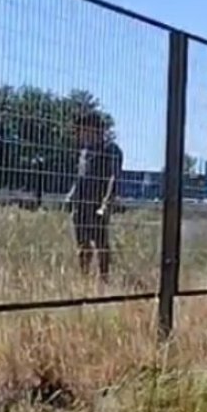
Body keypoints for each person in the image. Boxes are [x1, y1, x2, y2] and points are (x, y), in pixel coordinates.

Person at [66, 108, 123, 282]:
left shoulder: (111, 150)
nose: (80, 134)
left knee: (100, 243)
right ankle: (84, 279)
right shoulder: (84, 152)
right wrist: (71, 195)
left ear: (95, 130)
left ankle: (104, 279)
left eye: (83, 129)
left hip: (98, 203)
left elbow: (114, 178)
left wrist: (106, 204)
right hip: (81, 204)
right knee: (82, 243)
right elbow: (79, 177)